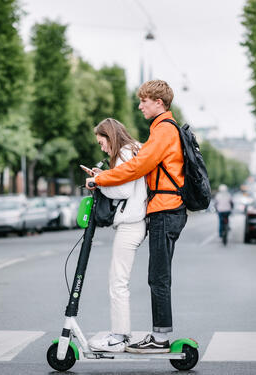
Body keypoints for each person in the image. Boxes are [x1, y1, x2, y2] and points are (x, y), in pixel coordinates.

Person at [86, 79, 186, 354]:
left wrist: (101, 179)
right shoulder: (158, 131)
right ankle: (157, 335)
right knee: (156, 276)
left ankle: (160, 338)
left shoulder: (164, 130)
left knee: (158, 277)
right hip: (161, 210)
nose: (140, 105)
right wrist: (103, 177)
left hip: (166, 208)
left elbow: (137, 168)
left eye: (144, 100)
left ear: (159, 102)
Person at [85, 118, 148, 353]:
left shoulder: (124, 152)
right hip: (136, 223)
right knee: (119, 281)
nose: (102, 147)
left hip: (130, 224)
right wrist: (104, 176)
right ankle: (120, 334)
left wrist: (98, 181)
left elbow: (123, 189)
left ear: (110, 136)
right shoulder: (134, 149)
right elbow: (123, 181)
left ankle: (119, 337)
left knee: (118, 282)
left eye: (102, 142)